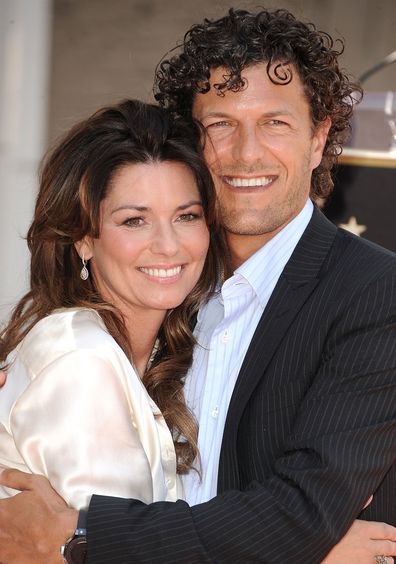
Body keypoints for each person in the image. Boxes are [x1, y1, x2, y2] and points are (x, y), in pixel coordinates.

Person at [0, 7, 396, 564]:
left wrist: (82, 537)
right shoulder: (166, 293)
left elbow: (302, 511)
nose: (246, 153)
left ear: (318, 138)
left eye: (275, 122)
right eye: (221, 125)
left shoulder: (375, 294)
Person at [0, 98, 223, 552]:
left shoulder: (147, 353)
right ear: (83, 238)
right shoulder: (83, 360)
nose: (167, 245)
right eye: (134, 220)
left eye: (186, 216)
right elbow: (118, 554)